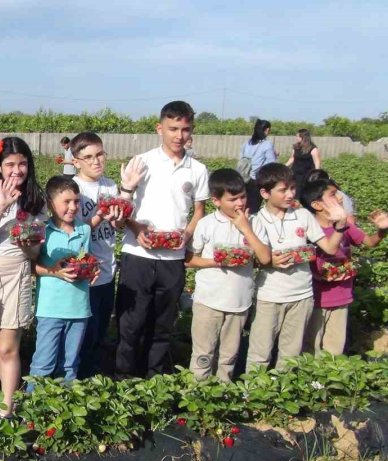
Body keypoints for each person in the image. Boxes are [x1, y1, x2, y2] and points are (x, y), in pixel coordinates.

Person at [116, 101, 209, 378]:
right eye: (173, 129)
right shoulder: (142, 162)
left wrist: (186, 235)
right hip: (138, 255)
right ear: (160, 128)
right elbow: (124, 206)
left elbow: (199, 211)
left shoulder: (198, 169)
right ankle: (124, 380)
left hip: (173, 259)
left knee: (162, 324)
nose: (179, 136)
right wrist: (136, 228)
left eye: (185, 129)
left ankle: (154, 379)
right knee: (131, 323)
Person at [246, 163, 348, 370]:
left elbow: (329, 248)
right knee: (260, 353)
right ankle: (255, 389)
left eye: (292, 188)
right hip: (269, 295)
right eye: (283, 190)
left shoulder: (303, 216)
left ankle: (285, 388)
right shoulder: (256, 221)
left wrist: (340, 227)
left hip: (302, 295)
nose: (290, 194)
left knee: (290, 354)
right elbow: (250, 260)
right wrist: (270, 261)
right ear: (265, 193)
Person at [0, 137, 45, 418]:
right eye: (10, 164)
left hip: (16, 272)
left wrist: (26, 243)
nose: (17, 170)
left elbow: (34, 253)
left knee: (7, 347)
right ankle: (9, 395)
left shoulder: (34, 199)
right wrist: (1, 207)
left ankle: (7, 405)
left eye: (22, 164)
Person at [70, 132, 144, 377]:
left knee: (100, 329)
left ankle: (92, 376)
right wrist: (100, 215)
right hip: (84, 274)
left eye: (100, 154)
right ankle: (77, 378)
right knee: (83, 331)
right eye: (89, 157)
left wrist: (125, 197)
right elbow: (74, 232)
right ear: (76, 161)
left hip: (107, 269)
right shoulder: (74, 189)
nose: (96, 161)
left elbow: (118, 225)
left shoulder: (110, 185)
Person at [185, 169, 270, 381]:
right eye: (232, 199)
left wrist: (246, 229)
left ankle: (223, 394)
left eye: (242, 197)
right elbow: (188, 260)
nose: (239, 203)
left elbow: (265, 258)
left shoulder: (255, 222)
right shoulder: (207, 224)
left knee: (228, 357)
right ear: (216, 200)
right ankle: (197, 392)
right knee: (203, 354)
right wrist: (217, 262)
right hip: (208, 301)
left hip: (239, 303)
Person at [300, 179, 388, 356]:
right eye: (333, 195)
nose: (340, 198)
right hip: (315, 297)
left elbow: (369, 242)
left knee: (335, 347)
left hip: (341, 294)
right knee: (311, 345)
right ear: (317, 205)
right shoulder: (308, 229)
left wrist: (383, 230)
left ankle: (330, 373)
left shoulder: (346, 226)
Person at [29, 176, 95, 387]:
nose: (73, 207)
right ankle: (31, 403)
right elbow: (30, 267)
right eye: (66, 202)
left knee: (69, 365)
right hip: (50, 309)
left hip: (79, 308)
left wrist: (93, 270)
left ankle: (64, 403)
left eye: (76, 201)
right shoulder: (41, 230)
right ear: (50, 203)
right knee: (43, 363)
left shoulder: (84, 230)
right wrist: (54, 271)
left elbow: (87, 260)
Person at [241, 119, 278, 213]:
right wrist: (275, 155)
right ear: (267, 130)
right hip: (256, 180)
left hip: (243, 177)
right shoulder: (267, 144)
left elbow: (241, 157)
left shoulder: (248, 143)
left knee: (243, 205)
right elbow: (271, 164)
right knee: (253, 208)